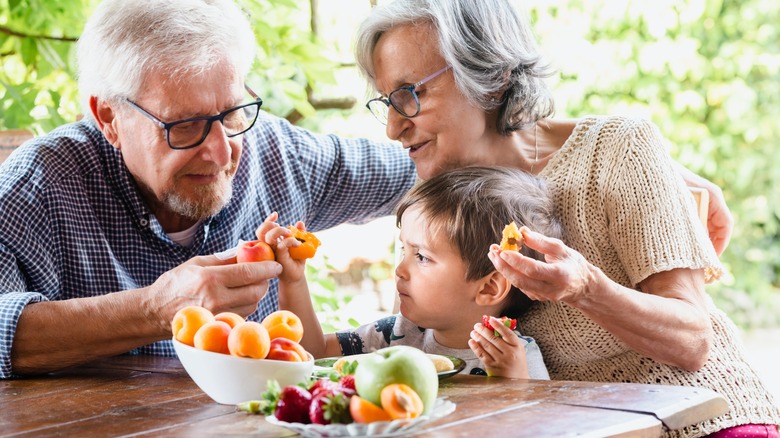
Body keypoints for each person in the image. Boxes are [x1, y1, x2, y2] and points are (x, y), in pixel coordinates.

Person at [354, 0, 779, 436]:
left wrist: (586, 289)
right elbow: (415, 343)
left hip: (703, 420)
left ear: (492, 76)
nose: (392, 127)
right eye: (387, 100)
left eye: (411, 94)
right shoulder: (439, 199)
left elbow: (692, 342)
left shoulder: (616, 150)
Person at [0, 0, 417, 379]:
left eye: (232, 113)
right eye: (185, 125)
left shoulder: (279, 154)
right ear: (109, 116)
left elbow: (422, 168)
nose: (221, 152)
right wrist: (154, 310)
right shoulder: (37, 187)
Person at [261, 166, 558, 379]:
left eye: (422, 257)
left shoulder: (515, 356)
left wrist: (517, 383)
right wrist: (293, 279)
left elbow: (537, 424)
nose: (400, 270)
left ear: (489, 288)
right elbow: (311, 353)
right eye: (405, 251)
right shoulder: (398, 334)